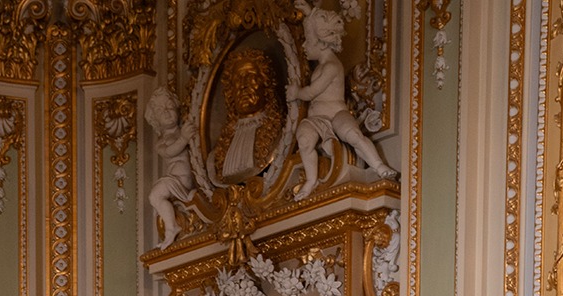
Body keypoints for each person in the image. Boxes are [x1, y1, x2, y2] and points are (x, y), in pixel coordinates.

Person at [289, 6, 396, 194]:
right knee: (304, 140)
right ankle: (311, 180)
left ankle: (379, 166)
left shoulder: (332, 66)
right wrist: (309, 12)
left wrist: (296, 92)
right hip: (317, 119)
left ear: (322, 42)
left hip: (337, 114)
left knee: (353, 135)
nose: (304, 46)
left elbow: (312, 92)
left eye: (308, 40)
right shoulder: (320, 66)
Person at [210, 47, 285, 183]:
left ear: (266, 84)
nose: (243, 86)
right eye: (238, 80)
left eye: (251, 76)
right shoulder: (217, 153)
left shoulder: (282, 133)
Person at [146, 86, 197, 250]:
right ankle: (171, 227)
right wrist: (183, 139)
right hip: (174, 180)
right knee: (154, 196)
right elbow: (169, 152)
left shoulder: (184, 130)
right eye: (161, 111)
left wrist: (184, 136)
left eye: (169, 107)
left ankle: (171, 227)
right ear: (155, 119)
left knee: (155, 196)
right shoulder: (161, 142)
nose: (167, 112)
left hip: (184, 180)